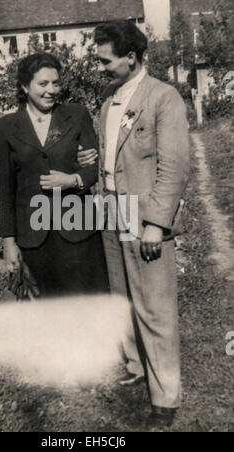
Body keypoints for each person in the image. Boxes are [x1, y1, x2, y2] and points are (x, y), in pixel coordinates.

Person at [78, 20, 190, 429]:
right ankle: (137, 366)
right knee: (123, 297)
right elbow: (115, 157)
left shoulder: (164, 98)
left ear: (131, 57)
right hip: (111, 210)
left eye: (106, 60)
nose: (100, 67)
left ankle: (166, 398)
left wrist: (156, 225)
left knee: (155, 306)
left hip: (143, 217)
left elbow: (173, 167)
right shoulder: (109, 100)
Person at [0, 53, 109, 298]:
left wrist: (72, 180)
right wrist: (9, 241)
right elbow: (6, 188)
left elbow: (94, 167)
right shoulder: (6, 126)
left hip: (78, 227)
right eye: (43, 84)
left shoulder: (76, 115)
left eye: (56, 83)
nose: (51, 90)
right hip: (34, 236)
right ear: (25, 86)